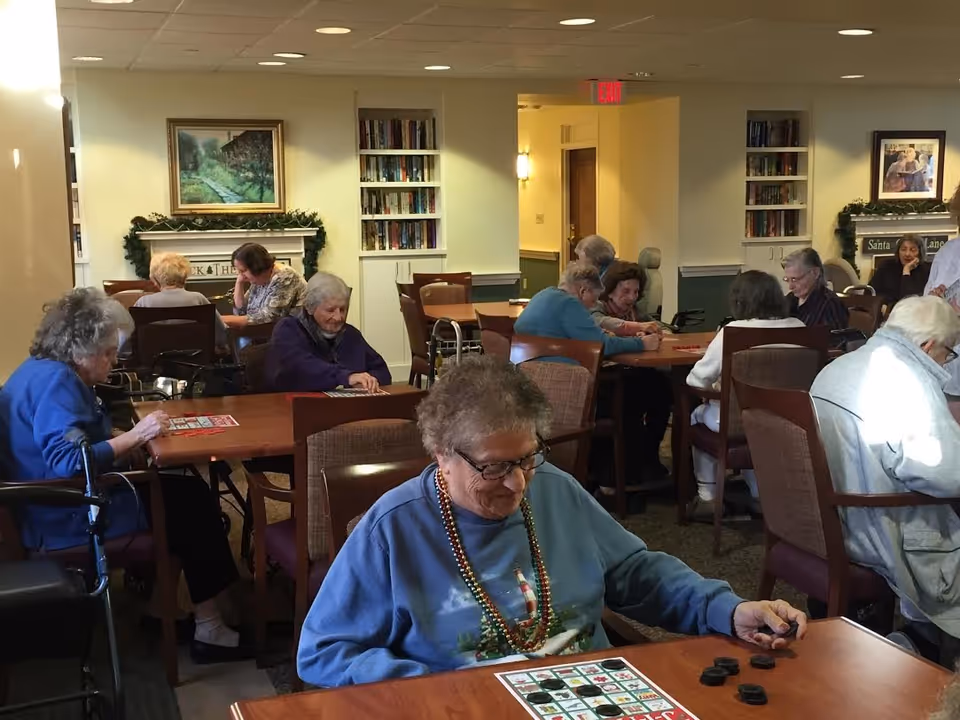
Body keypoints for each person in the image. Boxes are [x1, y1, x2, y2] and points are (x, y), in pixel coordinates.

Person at [296, 355, 807, 687]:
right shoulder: (392, 527)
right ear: (439, 454)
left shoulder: (555, 488)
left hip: (591, 691)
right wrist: (432, 685)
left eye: (526, 458)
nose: (517, 484)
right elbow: (324, 652)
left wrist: (726, 607)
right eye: (493, 467)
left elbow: (635, 573)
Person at [0, 289, 247, 663]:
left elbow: (68, 437)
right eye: (109, 353)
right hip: (66, 514)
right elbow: (69, 461)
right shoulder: (58, 383)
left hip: (42, 507)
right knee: (191, 501)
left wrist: (115, 440)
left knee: (181, 495)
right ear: (82, 348)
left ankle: (162, 609)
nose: (114, 363)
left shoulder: (39, 369)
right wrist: (135, 437)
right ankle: (211, 628)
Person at [810, 295, 960, 646]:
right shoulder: (908, 383)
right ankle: (920, 643)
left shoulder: (839, 367)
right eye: (948, 353)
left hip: (829, 520)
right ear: (927, 345)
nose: (946, 363)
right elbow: (948, 476)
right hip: (877, 529)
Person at [515, 263, 671, 480]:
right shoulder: (569, 304)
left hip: (535, 391)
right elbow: (601, 345)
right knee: (651, 390)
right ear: (582, 291)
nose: (591, 307)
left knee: (641, 387)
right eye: (592, 300)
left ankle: (628, 469)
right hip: (571, 394)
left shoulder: (543, 295)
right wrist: (643, 345)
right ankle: (628, 472)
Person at [685, 271, 805, 520]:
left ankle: (707, 497)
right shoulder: (798, 327)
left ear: (739, 301)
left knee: (697, 416)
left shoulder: (733, 331)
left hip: (734, 421)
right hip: (786, 421)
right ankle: (760, 495)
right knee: (756, 431)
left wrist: (712, 392)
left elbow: (696, 380)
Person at [266, 271, 390, 392]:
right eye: (330, 310)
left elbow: (382, 372)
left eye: (342, 309)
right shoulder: (288, 329)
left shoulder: (350, 334)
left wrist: (369, 381)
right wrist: (346, 377)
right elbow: (301, 368)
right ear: (310, 307)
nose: (338, 317)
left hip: (349, 407)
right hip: (295, 406)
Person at [134, 251, 228, 347]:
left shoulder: (143, 302)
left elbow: (130, 338)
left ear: (155, 279)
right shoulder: (198, 299)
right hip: (195, 359)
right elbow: (221, 332)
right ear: (185, 275)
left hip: (154, 360)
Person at [225, 242, 306, 328]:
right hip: (271, 333)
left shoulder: (284, 277)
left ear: (256, 267)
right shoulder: (259, 280)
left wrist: (225, 320)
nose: (240, 275)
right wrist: (239, 283)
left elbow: (269, 317)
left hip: (297, 332)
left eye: (242, 271)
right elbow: (241, 312)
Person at [590, 260, 663, 337]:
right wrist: (638, 327)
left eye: (636, 291)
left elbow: (658, 326)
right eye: (626, 291)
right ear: (610, 291)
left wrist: (655, 332)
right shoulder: (596, 306)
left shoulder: (633, 311)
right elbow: (598, 321)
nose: (632, 298)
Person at [783, 248, 849, 331]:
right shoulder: (790, 299)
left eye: (795, 279)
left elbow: (836, 341)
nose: (790, 287)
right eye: (787, 280)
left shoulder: (830, 304)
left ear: (815, 273)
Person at [868, 234, 931, 309]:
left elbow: (909, 299)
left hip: (916, 313)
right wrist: (881, 304)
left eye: (912, 250)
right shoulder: (886, 266)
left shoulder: (926, 270)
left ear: (920, 253)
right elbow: (870, 292)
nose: (907, 254)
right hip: (887, 312)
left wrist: (906, 271)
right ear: (898, 252)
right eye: (903, 249)